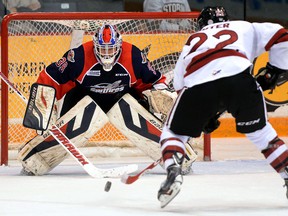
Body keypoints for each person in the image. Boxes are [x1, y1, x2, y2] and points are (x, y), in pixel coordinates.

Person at [18, 24, 197, 176]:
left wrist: (162, 95)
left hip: (121, 97)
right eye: (102, 49)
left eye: (110, 49)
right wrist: (43, 110)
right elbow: (51, 78)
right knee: (71, 122)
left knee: (129, 107)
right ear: (95, 46)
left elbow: (156, 80)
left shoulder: (134, 56)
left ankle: (178, 156)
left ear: (118, 45)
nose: (106, 54)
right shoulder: (78, 56)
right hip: (82, 98)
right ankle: (34, 161)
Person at [157, 6, 288, 208]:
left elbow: (180, 86)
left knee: (173, 133)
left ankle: (173, 170)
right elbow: (281, 35)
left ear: (201, 24)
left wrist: (203, 115)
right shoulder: (244, 26)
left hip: (198, 86)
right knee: (261, 134)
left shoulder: (192, 40)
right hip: (240, 81)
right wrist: (275, 70)